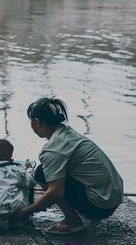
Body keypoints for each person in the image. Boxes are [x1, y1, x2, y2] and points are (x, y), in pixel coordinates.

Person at [16, 97, 124, 234]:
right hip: (113, 199)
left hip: (100, 206)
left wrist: (25, 212)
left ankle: (73, 222)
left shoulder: (52, 149)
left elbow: (56, 192)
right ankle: (80, 213)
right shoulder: (67, 133)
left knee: (41, 173)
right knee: (47, 172)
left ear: (37, 122)